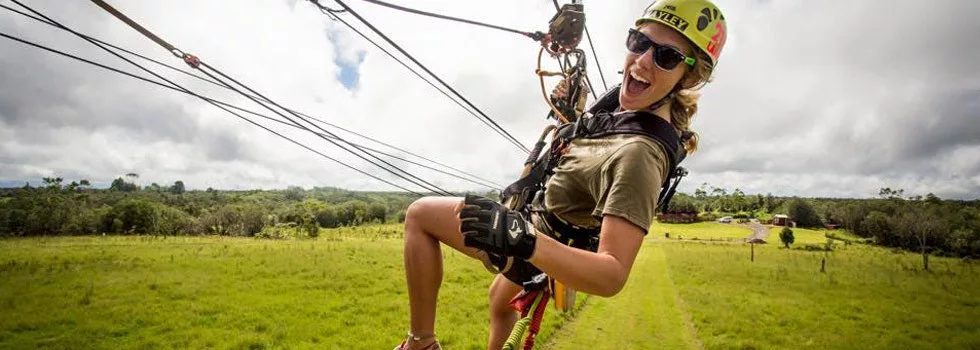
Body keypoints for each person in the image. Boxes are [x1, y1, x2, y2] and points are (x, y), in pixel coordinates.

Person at [394, 0, 726, 349]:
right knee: (500, 301)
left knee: (420, 216)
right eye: (639, 42)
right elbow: (592, 157)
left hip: (535, 241)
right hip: (534, 228)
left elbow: (612, 274)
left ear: (690, 76)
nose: (642, 61)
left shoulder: (640, 155)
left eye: (666, 57)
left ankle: (421, 343)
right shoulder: (627, 109)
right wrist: (572, 111)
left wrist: (523, 239)